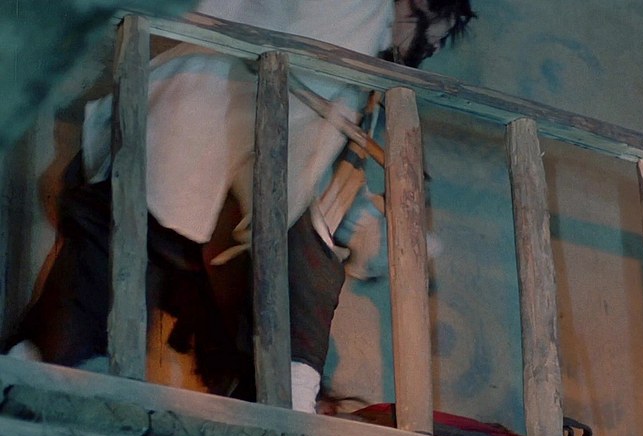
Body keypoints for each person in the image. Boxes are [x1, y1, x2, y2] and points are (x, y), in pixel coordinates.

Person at [5, 0, 476, 414]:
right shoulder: (359, 16)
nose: (424, 49)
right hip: (194, 136)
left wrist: (378, 231)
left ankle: (51, 364)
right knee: (124, 242)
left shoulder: (362, 68)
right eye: (429, 36)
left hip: (229, 175)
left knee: (131, 250)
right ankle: (51, 369)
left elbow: (321, 174)